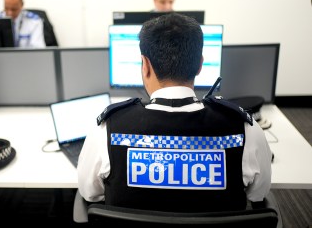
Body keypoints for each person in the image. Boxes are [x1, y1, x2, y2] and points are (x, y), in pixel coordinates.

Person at [77, 13, 272, 213]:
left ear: (145, 65)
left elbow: (90, 193)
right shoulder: (245, 130)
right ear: (200, 65)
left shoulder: (107, 129)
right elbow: (258, 194)